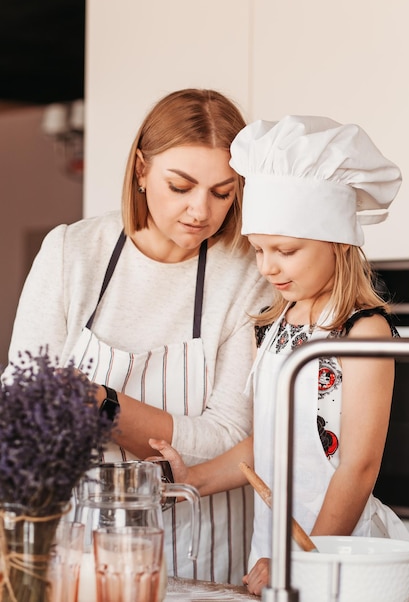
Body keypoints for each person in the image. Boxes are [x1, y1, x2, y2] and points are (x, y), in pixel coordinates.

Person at [149, 115, 409, 596]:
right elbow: (271, 441)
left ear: (338, 244)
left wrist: (303, 560)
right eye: (259, 250)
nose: (268, 266)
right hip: (274, 551)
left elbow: (358, 466)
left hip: (337, 555)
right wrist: (192, 477)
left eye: (286, 250)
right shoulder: (273, 326)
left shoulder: (362, 332)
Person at [6, 88, 274, 585]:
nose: (201, 211)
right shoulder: (72, 252)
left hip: (204, 551)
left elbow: (227, 438)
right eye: (181, 185)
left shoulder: (249, 274)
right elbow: (24, 404)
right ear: (141, 169)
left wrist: (98, 405)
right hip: (84, 544)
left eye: (222, 192)